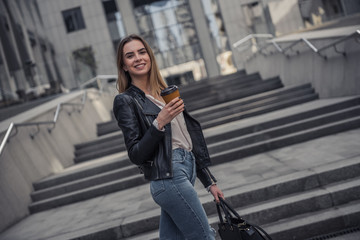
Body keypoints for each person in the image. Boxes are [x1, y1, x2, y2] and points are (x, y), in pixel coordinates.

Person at [113, 34, 224, 240]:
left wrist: (209, 181)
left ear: (150, 56)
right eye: (130, 56)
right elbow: (136, 154)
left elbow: (186, 139)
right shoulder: (125, 101)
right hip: (169, 177)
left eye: (142, 52)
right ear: (124, 66)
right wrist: (159, 123)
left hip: (186, 170)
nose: (138, 58)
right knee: (204, 236)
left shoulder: (165, 93)